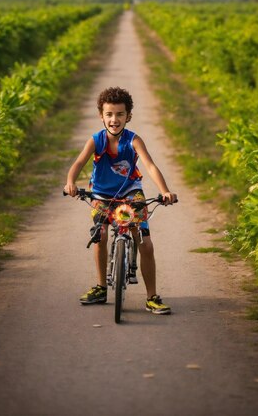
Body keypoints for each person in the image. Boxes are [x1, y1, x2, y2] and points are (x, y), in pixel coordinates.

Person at [64, 86, 177, 315]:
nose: (114, 119)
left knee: (144, 241)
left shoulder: (134, 141)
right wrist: (70, 182)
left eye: (119, 114)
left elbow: (150, 166)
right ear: (101, 116)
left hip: (130, 192)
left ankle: (152, 297)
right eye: (109, 114)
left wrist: (165, 191)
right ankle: (101, 287)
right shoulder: (96, 140)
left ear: (128, 116)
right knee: (101, 234)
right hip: (102, 194)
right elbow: (78, 163)